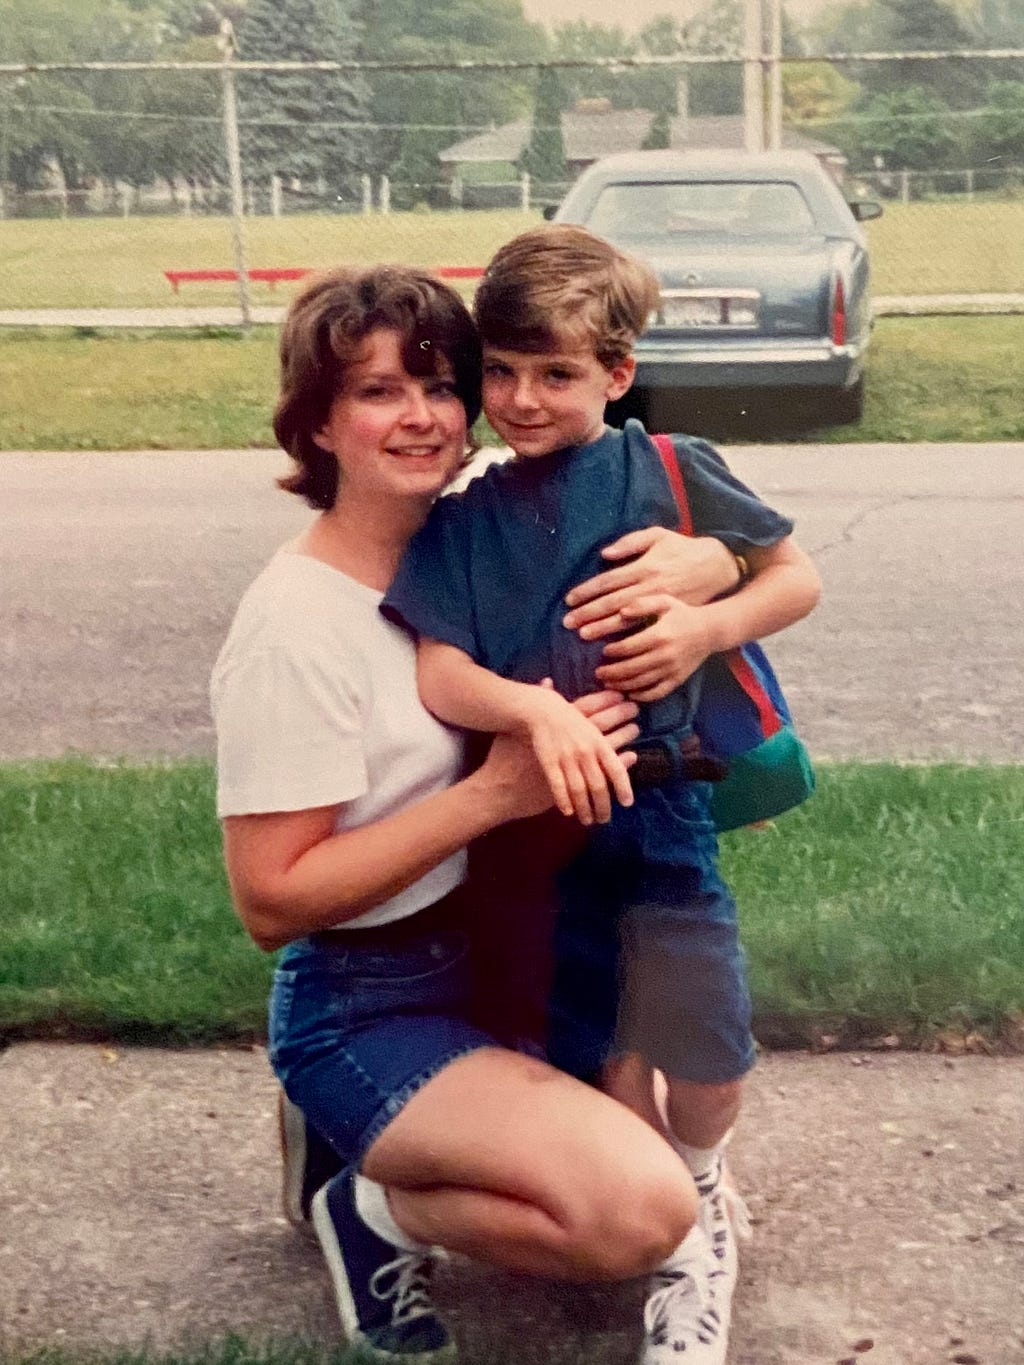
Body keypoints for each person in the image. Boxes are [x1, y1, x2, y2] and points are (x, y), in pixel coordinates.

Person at [211, 262, 749, 1365]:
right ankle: (368, 1205)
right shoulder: (297, 624)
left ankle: (404, 1144)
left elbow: (658, 506)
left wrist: (712, 558)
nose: (421, 415)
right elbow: (271, 901)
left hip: (515, 948)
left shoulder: (468, 541)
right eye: (374, 392)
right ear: (316, 422)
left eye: (439, 383)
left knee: (671, 1092)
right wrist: (491, 793)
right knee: (642, 1216)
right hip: (373, 995)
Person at [382, 225, 822, 1364]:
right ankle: (680, 1253)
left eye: (557, 373)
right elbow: (441, 669)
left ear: (614, 374)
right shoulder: (465, 520)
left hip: (665, 805)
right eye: (503, 371)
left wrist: (706, 621)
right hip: (538, 826)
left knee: (710, 1041)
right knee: (603, 1042)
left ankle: (700, 1179)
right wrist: (530, 711)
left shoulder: (666, 469)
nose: (523, 400)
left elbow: (795, 574)